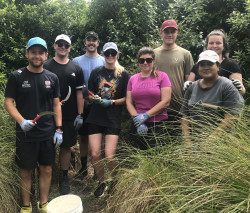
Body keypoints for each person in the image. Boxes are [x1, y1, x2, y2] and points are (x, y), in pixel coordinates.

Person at [4, 37, 62, 213]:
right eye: (33, 52)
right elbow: (8, 102)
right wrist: (21, 121)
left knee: (46, 168)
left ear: (46, 55)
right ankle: (26, 206)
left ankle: (43, 204)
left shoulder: (52, 77)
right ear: (27, 53)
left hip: (47, 132)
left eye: (40, 52)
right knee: (25, 171)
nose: (37, 56)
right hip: (25, 134)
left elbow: (56, 104)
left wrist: (59, 129)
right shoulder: (17, 76)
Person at [86, 42, 129, 198]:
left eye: (113, 53)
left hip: (113, 117)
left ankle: (115, 181)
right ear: (103, 54)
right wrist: (94, 98)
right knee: (96, 153)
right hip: (96, 117)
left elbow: (127, 98)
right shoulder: (96, 72)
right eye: (107, 53)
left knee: (110, 155)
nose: (110, 56)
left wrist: (111, 102)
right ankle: (102, 182)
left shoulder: (124, 74)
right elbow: (88, 93)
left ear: (117, 54)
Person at [44, 34, 84, 195]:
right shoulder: (45, 66)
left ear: (70, 47)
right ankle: (45, 176)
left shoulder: (76, 68)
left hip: (69, 115)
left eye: (66, 45)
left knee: (66, 146)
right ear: (54, 46)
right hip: (47, 115)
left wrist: (80, 114)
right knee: (47, 147)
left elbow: (79, 93)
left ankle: (64, 177)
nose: (63, 47)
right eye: (59, 44)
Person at [181, 50, 244, 148]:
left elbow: (231, 117)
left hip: (221, 146)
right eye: (202, 64)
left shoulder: (227, 86)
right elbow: (185, 116)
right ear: (198, 68)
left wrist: (208, 143)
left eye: (210, 64)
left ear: (218, 67)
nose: (206, 67)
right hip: (194, 145)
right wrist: (187, 142)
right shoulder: (192, 87)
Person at [154, 19, 194, 139]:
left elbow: (189, 81)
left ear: (177, 33)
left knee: (179, 142)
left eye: (173, 31)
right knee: (159, 143)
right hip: (157, 106)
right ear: (161, 33)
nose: (170, 34)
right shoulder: (152, 54)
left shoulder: (185, 54)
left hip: (179, 106)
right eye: (167, 31)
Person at [73, 31, 105, 179]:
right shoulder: (76, 61)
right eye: (88, 40)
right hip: (82, 104)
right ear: (85, 43)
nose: (91, 43)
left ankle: (97, 170)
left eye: (94, 40)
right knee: (83, 137)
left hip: (99, 104)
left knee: (98, 138)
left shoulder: (104, 61)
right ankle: (84, 168)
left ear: (98, 43)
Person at [126, 47, 172, 150]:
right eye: (142, 60)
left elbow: (166, 101)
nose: (145, 63)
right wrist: (137, 119)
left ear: (154, 61)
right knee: (139, 156)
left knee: (156, 157)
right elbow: (129, 102)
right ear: (138, 62)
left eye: (149, 60)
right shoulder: (133, 79)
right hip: (138, 124)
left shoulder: (162, 76)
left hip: (157, 124)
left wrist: (146, 115)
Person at [184, 29, 246, 95]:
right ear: (207, 46)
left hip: (223, 103)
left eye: (218, 43)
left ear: (224, 46)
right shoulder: (198, 65)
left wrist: (240, 88)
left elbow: (242, 92)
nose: (214, 46)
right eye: (211, 43)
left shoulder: (231, 65)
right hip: (199, 102)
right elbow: (188, 91)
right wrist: (187, 85)